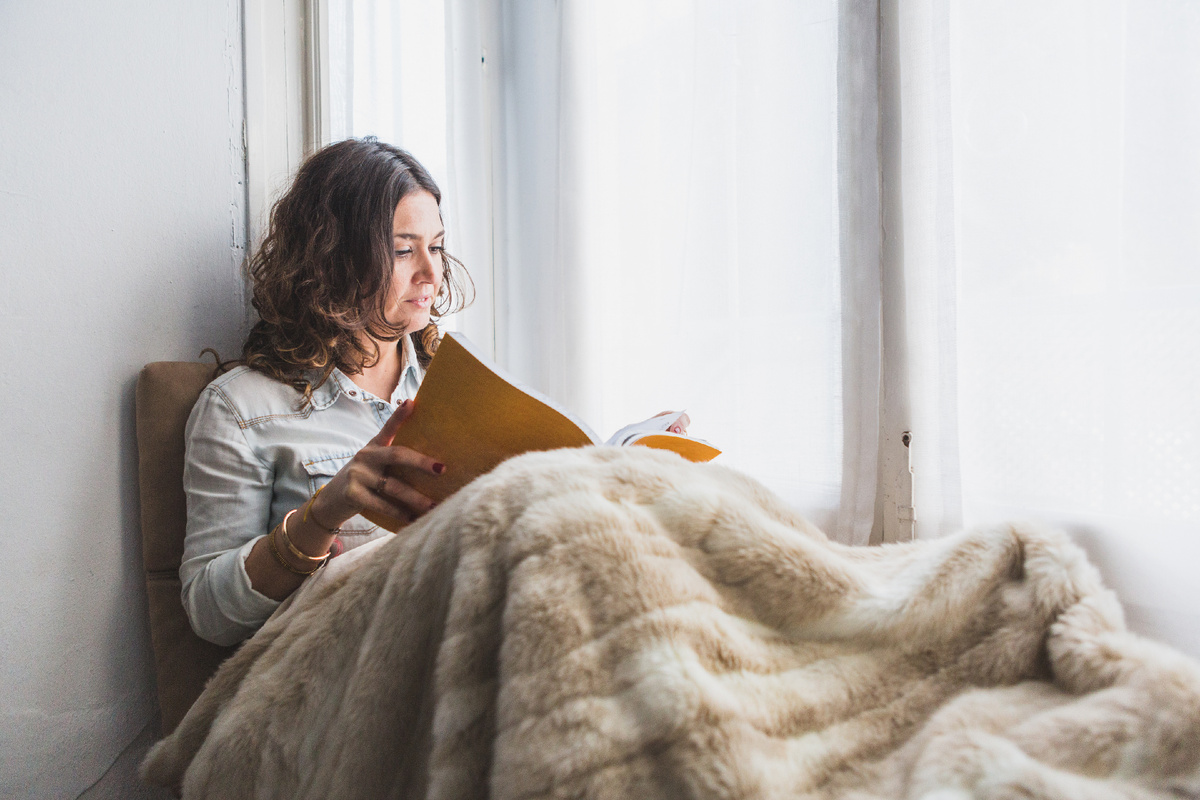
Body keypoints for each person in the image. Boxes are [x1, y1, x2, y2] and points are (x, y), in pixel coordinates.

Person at [181, 138, 471, 646]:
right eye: (404, 250)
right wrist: (320, 517)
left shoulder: (462, 380)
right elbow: (210, 616)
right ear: (334, 260)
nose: (431, 271)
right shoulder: (242, 410)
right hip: (339, 678)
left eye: (437, 246)